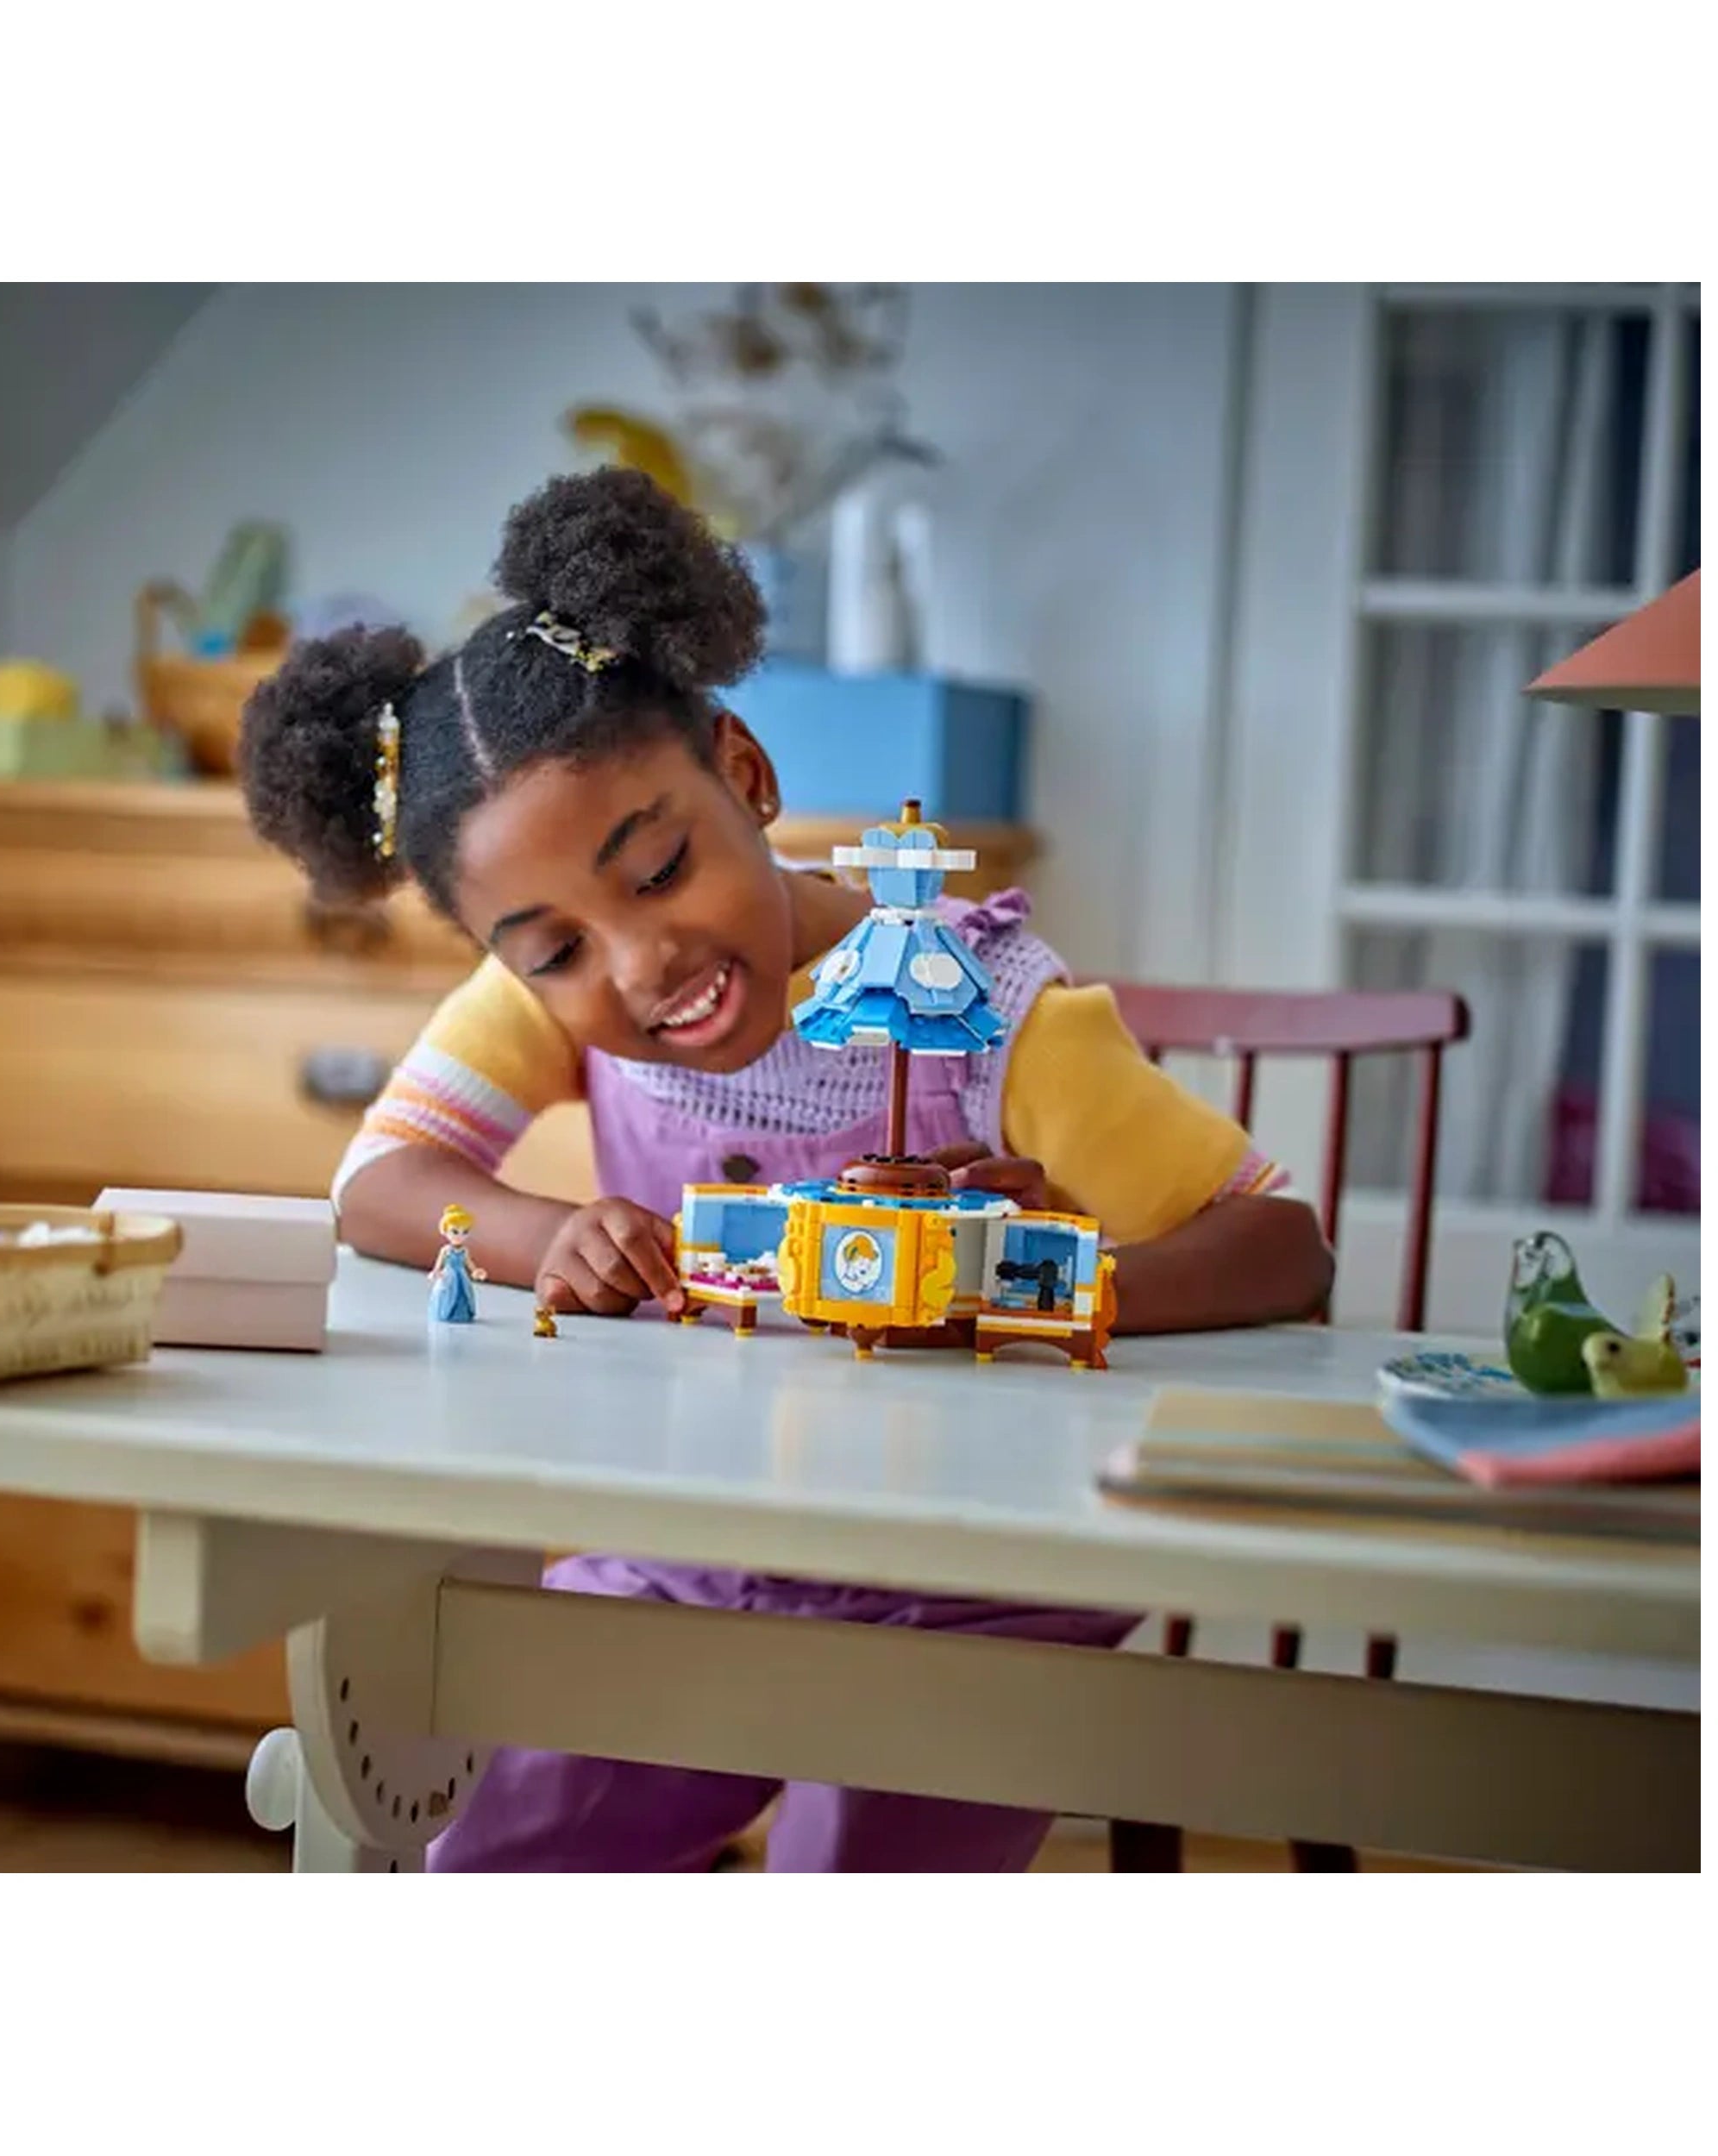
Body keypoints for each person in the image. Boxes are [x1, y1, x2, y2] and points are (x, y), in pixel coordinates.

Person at [240, 467, 1334, 1871]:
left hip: (981, 1586)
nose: (639, 964)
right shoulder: (562, 1003)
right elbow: (379, 1183)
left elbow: (1281, 1244)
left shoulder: (987, 1009)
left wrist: (1045, 1284)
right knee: (507, 1853)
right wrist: (543, 1233)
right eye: (557, 949)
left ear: (745, 778)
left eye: (658, 871)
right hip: (699, 1554)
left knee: (853, 1853)